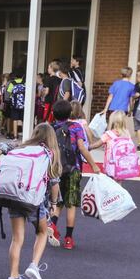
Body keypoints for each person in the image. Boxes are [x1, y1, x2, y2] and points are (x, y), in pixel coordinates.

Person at [0, 123, 61, 279]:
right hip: (35, 200)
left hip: (14, 195)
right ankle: (34, 266)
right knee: (42, 232)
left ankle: (13, 278)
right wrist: (54, 203)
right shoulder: (49, 154)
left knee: (17, 239)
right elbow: (55, 183)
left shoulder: (22, 146)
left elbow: (1, 146)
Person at [48, 100, 101, 250]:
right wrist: (94, 165)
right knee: (70, 204)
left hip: (56, 169)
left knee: (57, 201)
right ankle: (69, 238)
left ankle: (52, 224)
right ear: (70, 113)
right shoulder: (76, 127)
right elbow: (82, 148)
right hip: (73, 169)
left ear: (54, 113)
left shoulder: (50, 128)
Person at [92, 111, 136, 184]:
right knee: (119, 182)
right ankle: (119, 194)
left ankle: (112, 194)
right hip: (122, 163)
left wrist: (89, 147)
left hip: (111, 163)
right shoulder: (126, 133)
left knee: (110, 182)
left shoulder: (109, 134)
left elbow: (97, 144)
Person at [8, 71, 26, 141]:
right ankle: (25, 135)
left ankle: (15, 136)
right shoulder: (25, 82)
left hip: (14, 104)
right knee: (23, 120)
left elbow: (9, 93)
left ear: (15, 76)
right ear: (22, 76)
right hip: (23, 104)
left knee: (15, 120)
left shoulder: (12, 83)